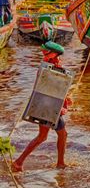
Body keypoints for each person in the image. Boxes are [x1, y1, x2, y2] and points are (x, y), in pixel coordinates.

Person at [12, 41, 73, 172]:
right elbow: (47, 89)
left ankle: (19, 162)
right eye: (44, 53)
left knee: (45, 136)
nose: (44, 55)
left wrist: (66, 98)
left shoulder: (54, 66)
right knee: (55, 135)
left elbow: (56, 88)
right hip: (48, 108)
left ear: (55, 54)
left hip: (48, 107)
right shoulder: (48, 67)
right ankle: (59, 163)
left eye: (46, 53)